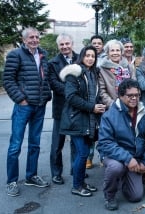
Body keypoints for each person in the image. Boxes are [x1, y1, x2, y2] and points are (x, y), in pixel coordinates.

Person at [3, 27, 52, 196]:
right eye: (31, 37)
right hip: (23, 106)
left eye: (37, 37)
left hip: (39, 106)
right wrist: (20, 99)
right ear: (24, 40)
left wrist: (46, 96)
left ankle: (31, 175)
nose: (34, 39)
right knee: (15, 145)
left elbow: (46, 78)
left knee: (35, 144)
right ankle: (11, 181)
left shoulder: (43, 54)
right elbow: (8, 79)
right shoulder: (15, 54)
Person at [97, 79, 145, 211]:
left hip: (136, 158)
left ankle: (123, 178)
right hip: (114, 156)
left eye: (137, 95)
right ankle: (110, 195)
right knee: (115, 167)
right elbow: (105, 143)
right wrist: (127, 158)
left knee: (135, 196)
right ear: (120, 96)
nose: (134, 98)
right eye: (130, 95)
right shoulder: (109, 116)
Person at [59, 46, 106, 197]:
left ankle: (80, 182)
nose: (90, 58)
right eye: (87, 55)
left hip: (89, 120)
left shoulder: (93, 73)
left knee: (83, 153)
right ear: (82, 56)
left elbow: (94, 95)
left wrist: (98, 106)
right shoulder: (75, 73)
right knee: (82, 153)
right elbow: (71, 97)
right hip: (77, 119)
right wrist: (92, 107)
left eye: (93, 56)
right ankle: (77, 186)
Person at [48, 33, 79, 184]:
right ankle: (56, 173)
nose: (65, 47)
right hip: (61, 108)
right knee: (57, 143)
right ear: (58, 46)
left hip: (78, 108)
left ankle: (76, 169)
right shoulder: (53, 63)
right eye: (62, 44)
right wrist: (72, 90)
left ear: (72, 43)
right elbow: (53, 83)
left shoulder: (81, 59)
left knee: (76, 142)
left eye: (67, 43)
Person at [87, 35, 106, 169]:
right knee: (91, 130)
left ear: (103, 45)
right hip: (91, 100)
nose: (97, 45)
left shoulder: (107, 58)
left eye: (99, 43)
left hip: (103, 99)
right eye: (94, 43)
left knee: (103, 131)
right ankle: (89, 158)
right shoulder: (87, 57)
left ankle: (103, 156)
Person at [99, 39, 133, 107]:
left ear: (121, 52)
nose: (115, 53)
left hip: (129, 105)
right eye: (112, 50)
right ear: (107, 53)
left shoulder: (129, 67)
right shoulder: (102, 69)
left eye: (117, 50)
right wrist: (113, 104)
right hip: (112, 107)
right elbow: (102, 91)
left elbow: (134, 85)